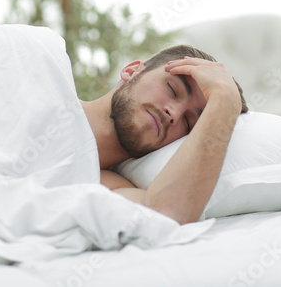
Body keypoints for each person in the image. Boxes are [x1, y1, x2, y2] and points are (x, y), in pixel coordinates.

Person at [81, 45, 248, 225]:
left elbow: (164, 216)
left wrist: (225, 100)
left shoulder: (101, 187)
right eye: (172, 89)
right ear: (131, 71)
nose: (174, 114)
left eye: (188, 122)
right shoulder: (49, 74)